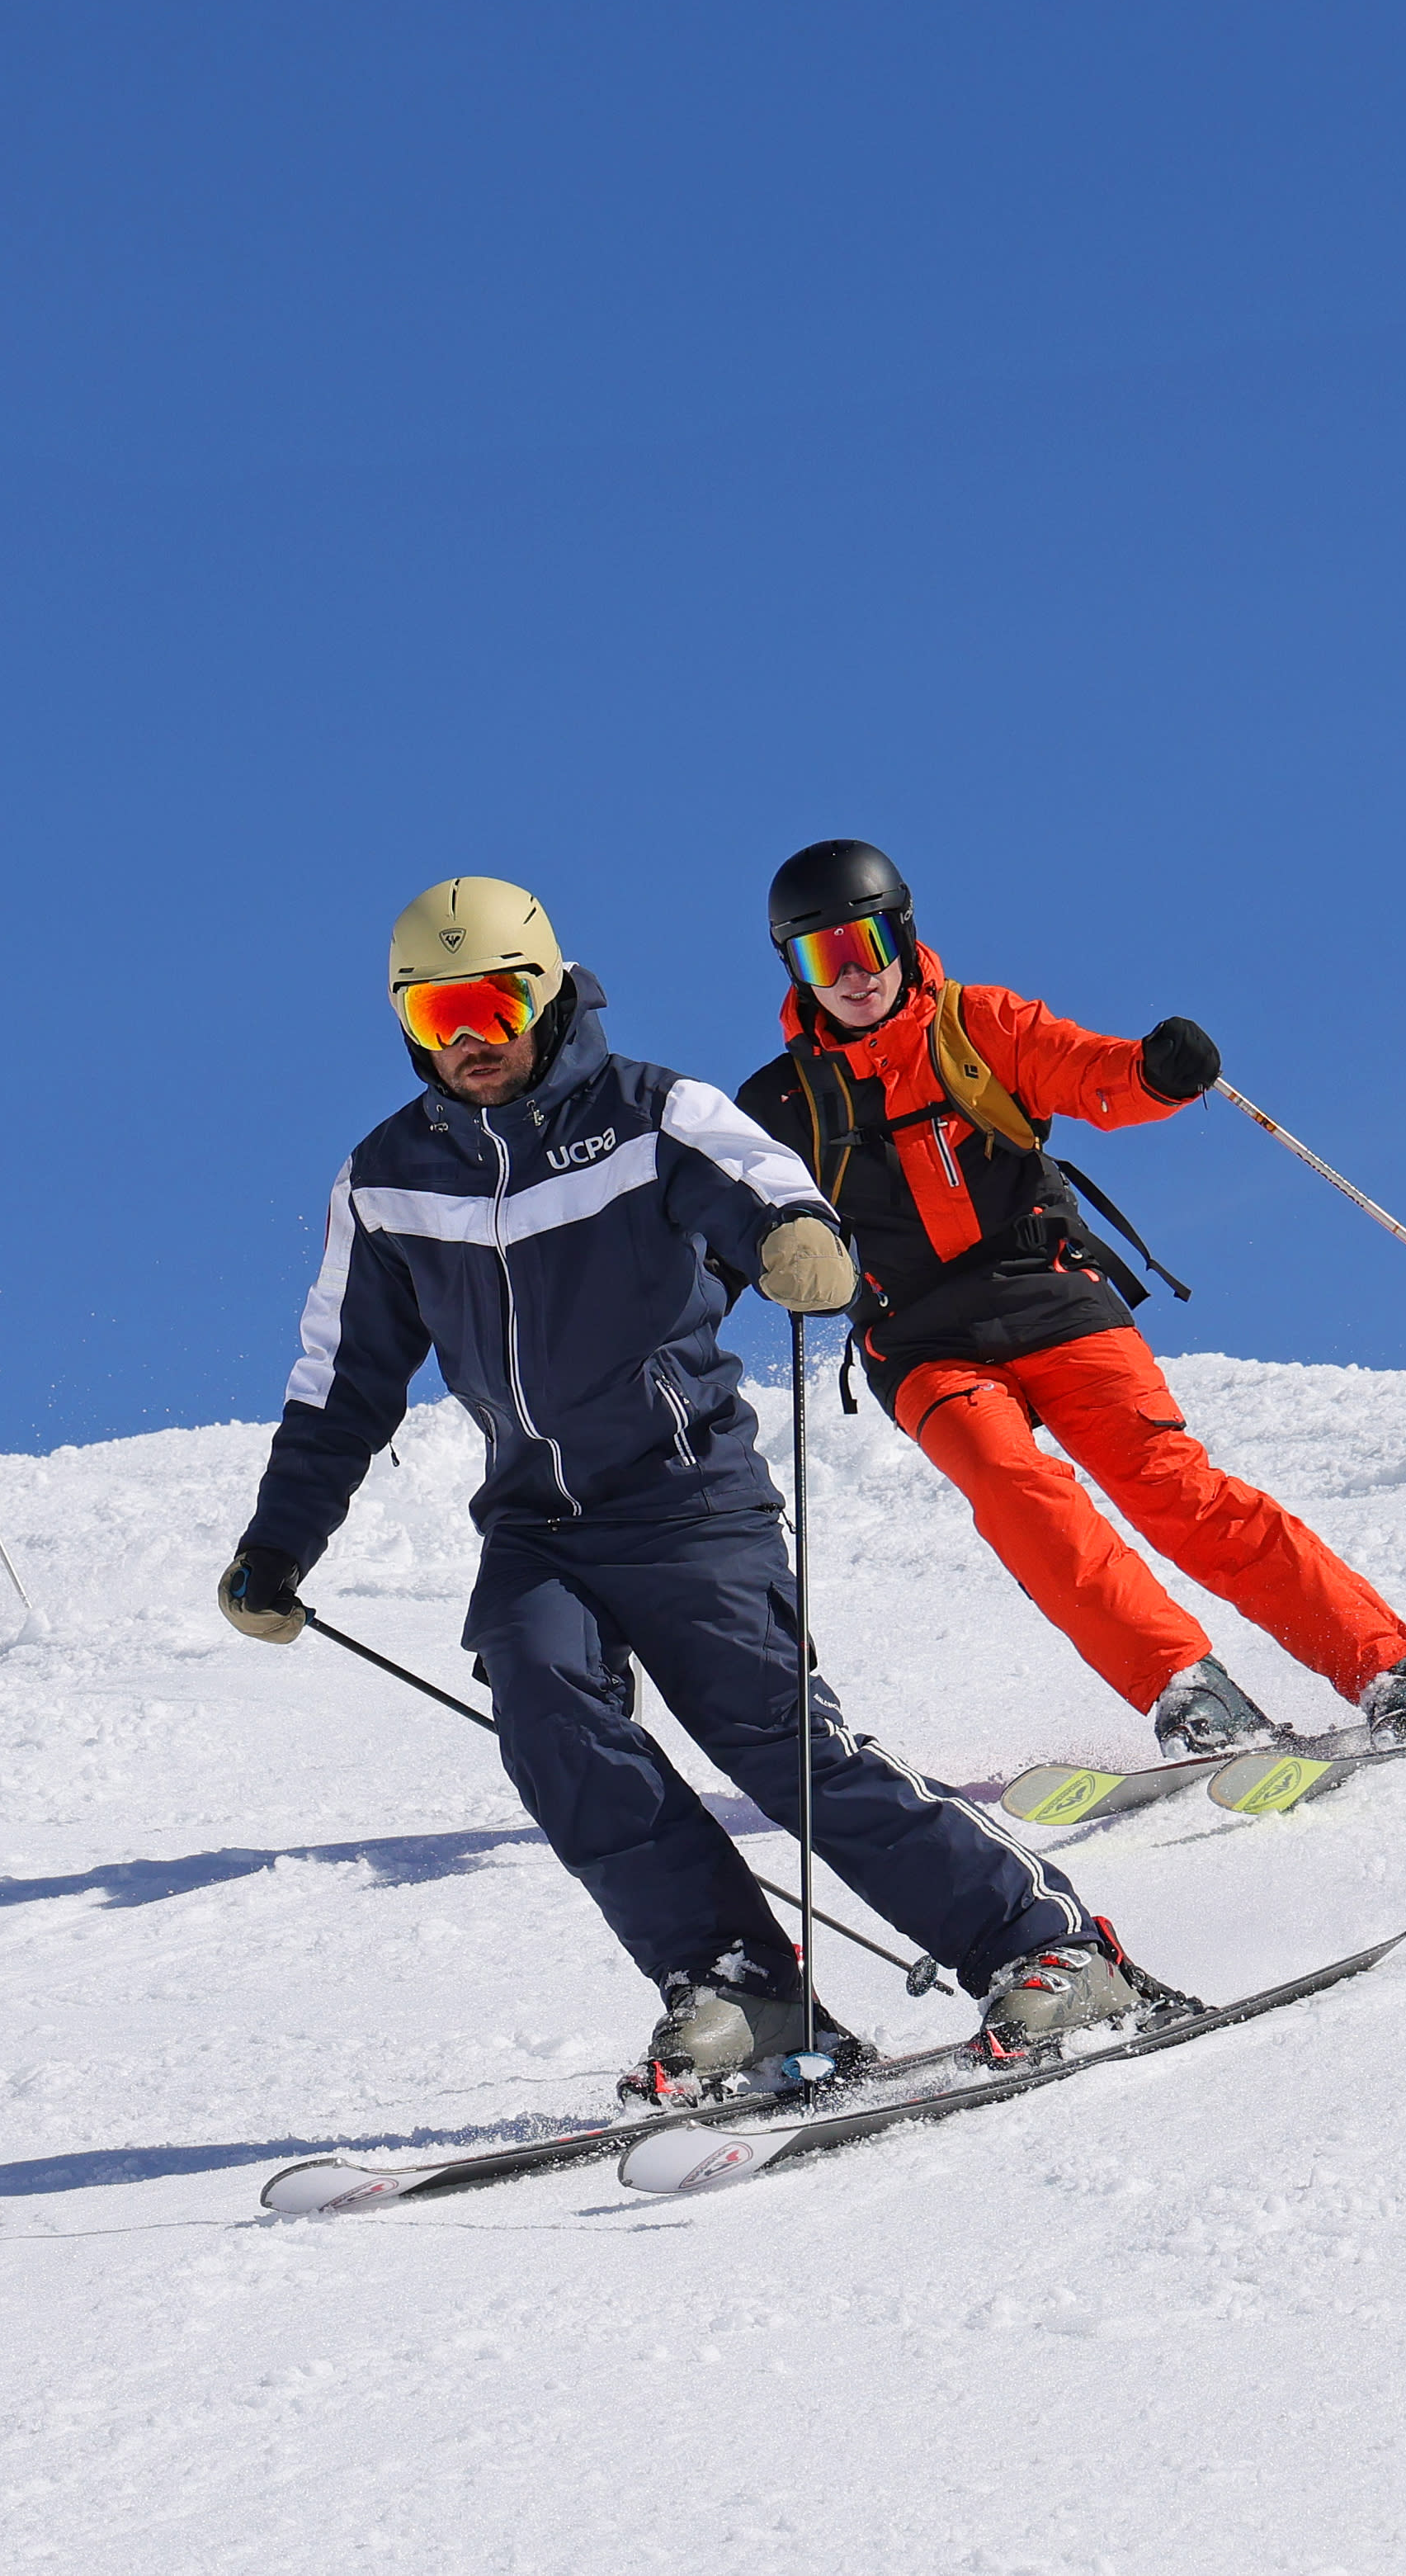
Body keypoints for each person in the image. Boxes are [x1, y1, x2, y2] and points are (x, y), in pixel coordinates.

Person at [219, 877, 1158, 2101]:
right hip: (539, 1527)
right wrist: (278, 1545)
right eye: (437, 1009)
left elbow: (768, 1186)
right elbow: (341, 1383)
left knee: (781, 1748)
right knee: (553, 1724)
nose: (469, 1039)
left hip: (686, 1497)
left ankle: (1051, 1952)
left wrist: (797, 1238)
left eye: (492, 1003)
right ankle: (743, 1990)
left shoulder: (653, 1112)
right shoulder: (389, 1179)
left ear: (544, 991)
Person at [732, 840, 1406, 1762]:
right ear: (794, 971)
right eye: (821, 957)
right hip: (918, 1338)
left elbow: (1088, 1072)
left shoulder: (975, 1024)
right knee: (1014, 1494)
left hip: (1045, 1289)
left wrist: (1157, 1074)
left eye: (867, 943)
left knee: (1169, 1487)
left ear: (903, 931)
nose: (851, 975)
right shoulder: (778, 1102)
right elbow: (731, 1217)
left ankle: (1392, 1672)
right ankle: (1188, 1691)